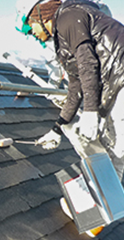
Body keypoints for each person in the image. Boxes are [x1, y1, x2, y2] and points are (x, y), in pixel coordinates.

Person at [15, 0, 124, 237]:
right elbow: (75, 88)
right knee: (107, 148)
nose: (32, 34)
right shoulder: (63, 41)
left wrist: (91, 111)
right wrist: (56, 129)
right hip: (115, 84)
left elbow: (87, 62)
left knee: (116, 152)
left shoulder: (69, 16)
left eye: (29, 28)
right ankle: (97, 210)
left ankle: (95, 215)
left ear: (39, 15)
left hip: (121, 79)